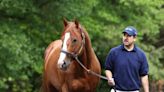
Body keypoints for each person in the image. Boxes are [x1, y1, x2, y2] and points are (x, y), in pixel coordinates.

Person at [105, 26, 149, 92]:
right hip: (117, 90)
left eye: (129, 36)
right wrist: (109, 78)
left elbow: (144, 76)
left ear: (134, 38)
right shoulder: (114, 52)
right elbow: (108, 69)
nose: (126, 38)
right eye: (124, 35)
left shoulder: (141, 55)